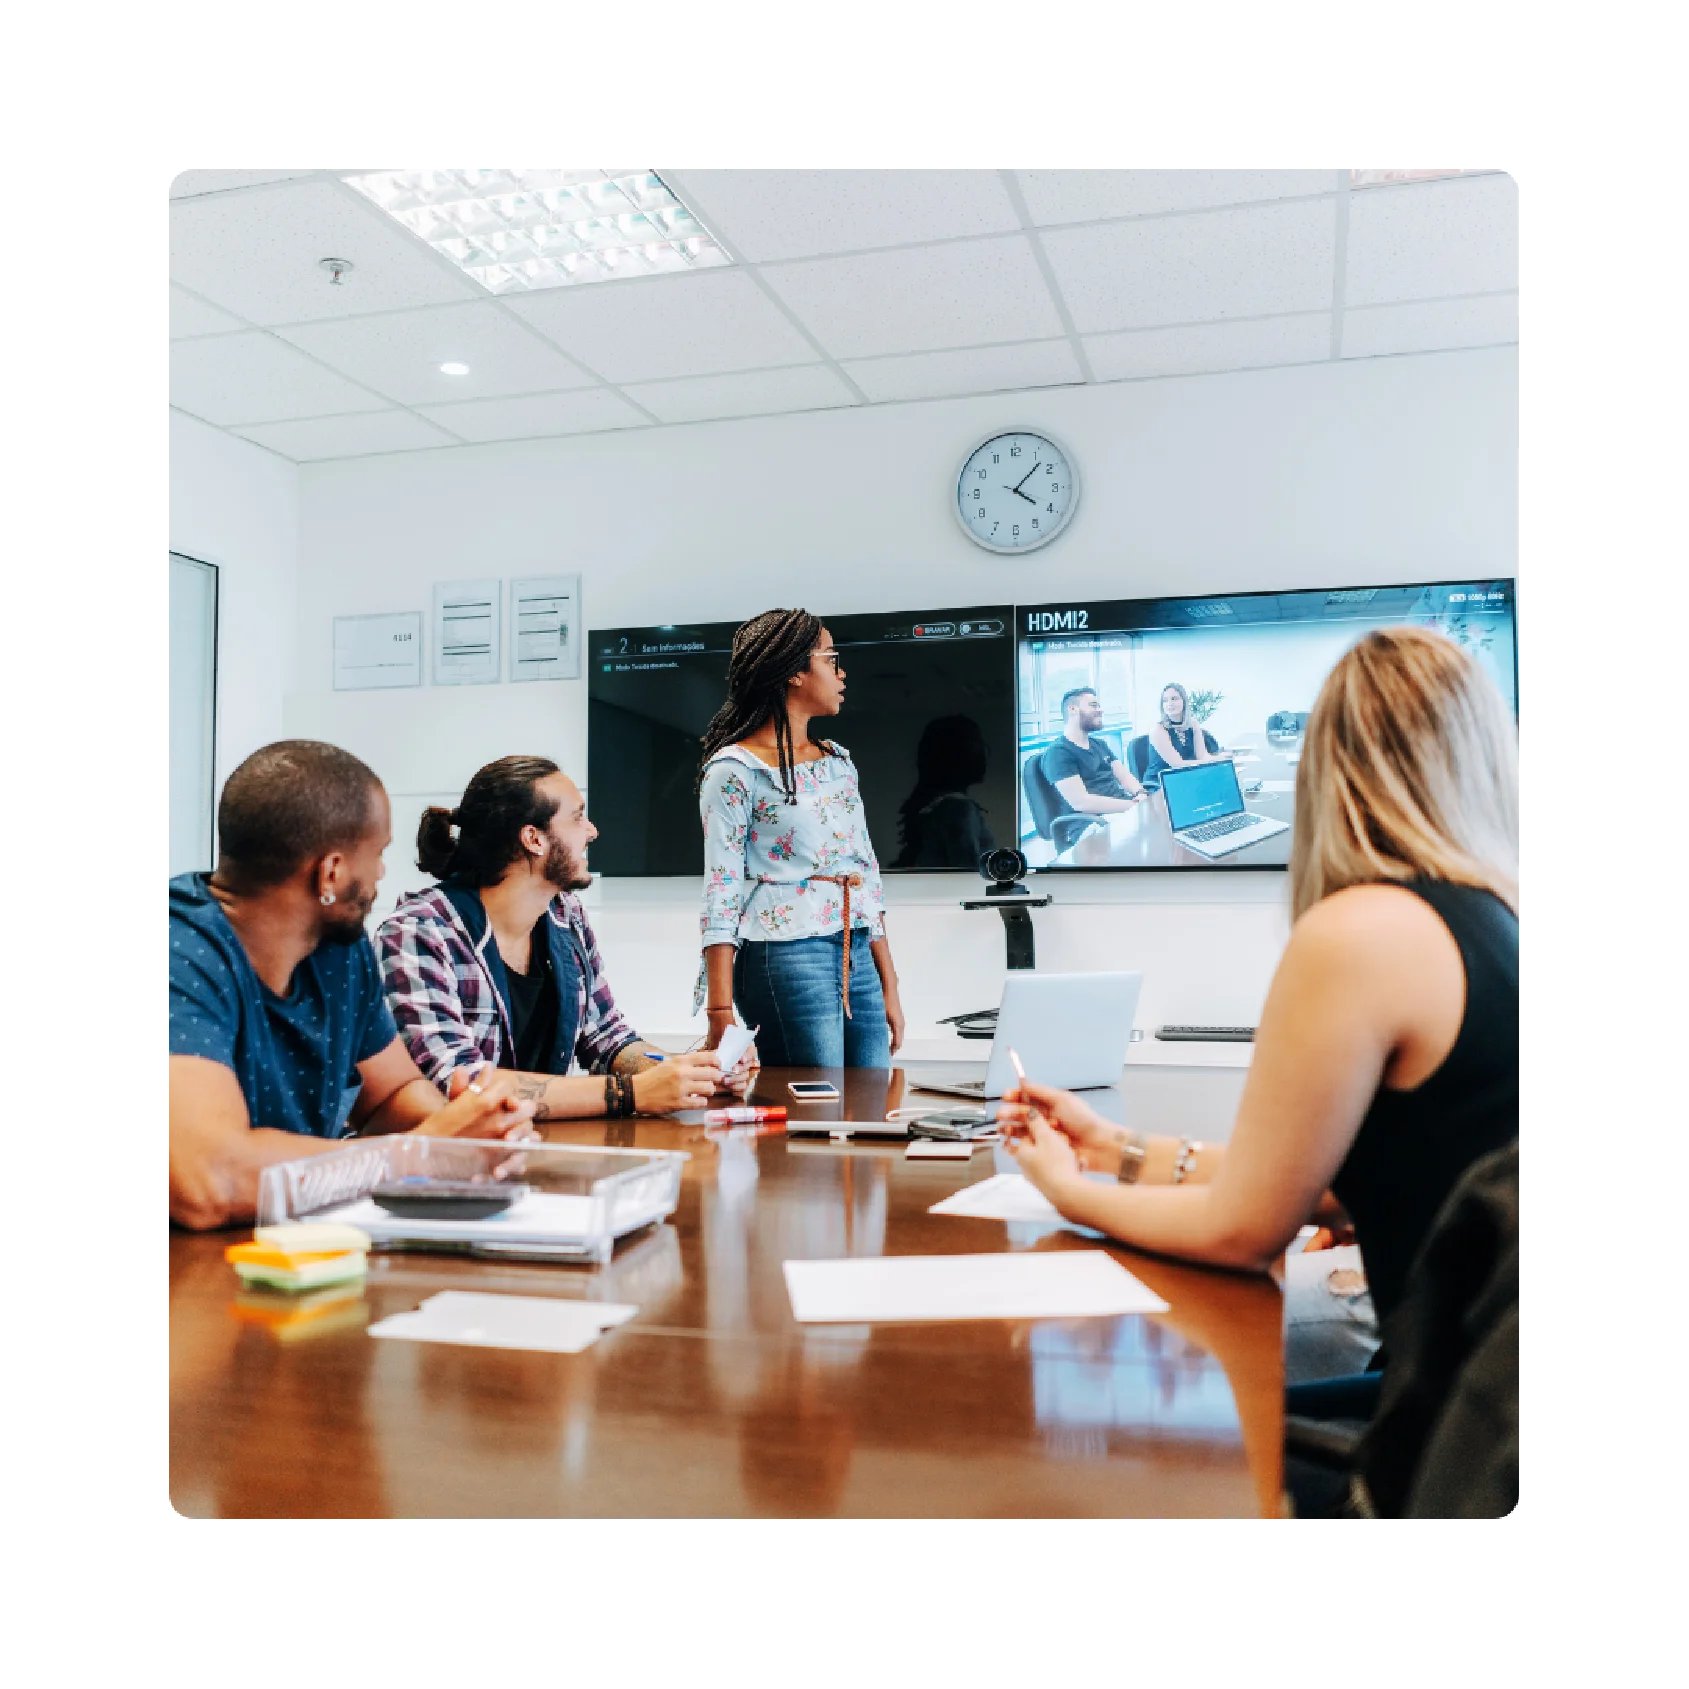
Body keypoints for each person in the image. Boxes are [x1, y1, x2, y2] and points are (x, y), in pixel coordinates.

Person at [999, 626, 1519, 1342]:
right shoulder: (1497, 917)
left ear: (1328, 764)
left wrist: (1064, 1189)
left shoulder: (1362, 933)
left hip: (1435, 1390)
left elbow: (1243, 1229)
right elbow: (1322, 1184)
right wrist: (1110, 1146)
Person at [169, 741, 540, 1232]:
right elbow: (209, 1181)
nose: (382, 872)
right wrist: (420, 1153)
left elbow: (392, 1095)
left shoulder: (340, 950)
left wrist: (470, 1134)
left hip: (294, 1252)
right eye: (379, 853)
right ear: (332, 872)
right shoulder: (175, 953)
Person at [377, 755, 736, 1119]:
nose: (592, 831)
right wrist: (628, 1093)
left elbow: (606, 1037)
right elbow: (458, 1082)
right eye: (578, 818)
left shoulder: (566, 915)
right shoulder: (419, 932)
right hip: (455, 1151)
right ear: (533, 839)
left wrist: (690, 1074)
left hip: (534, 1144)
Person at [695, 609, 905, 1067]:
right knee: (813, 1100)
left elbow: (865, 875)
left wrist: (888, 983)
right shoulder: (734, 770)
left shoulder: (838, 762)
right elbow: (721, 889)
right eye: (831, 659)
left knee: (872, 1097)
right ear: (794, 672)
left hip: (855, 949)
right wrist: (718, 1010)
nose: (841, 673)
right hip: (785, 953)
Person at [891, 714, 996, 869]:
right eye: (977, 745)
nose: (985, 752)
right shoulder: (959, 809)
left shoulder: (936, 807)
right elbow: (968, 875)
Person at [1039, 686, 1147, 817]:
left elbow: (1124, 776)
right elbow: (1081, 803)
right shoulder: (1058, 753)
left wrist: (1140, 793)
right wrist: (1134, 806)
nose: (1100, 710)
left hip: (1120, 810)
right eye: (1093, 706)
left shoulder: (1099, 744)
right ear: (1072, 709)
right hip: (1092, 820)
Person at [1140, 681, 1225, 789]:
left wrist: (1221, 758)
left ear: (1184, 701)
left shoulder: (1193, 724)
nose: (1169, 703)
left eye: (1174, 699)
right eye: (1165, 700)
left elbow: (1202, 756)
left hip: (1183, 779)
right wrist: (1212, 761)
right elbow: (1177, 764)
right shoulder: (1158, 730)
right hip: (1160, 784)